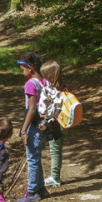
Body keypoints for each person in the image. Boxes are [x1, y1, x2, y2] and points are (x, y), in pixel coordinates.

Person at [16, 52, 49, 202]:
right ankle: (41, 188)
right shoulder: (44, 81)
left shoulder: (30, 84)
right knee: (36, 157)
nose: (22, 72)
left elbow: (32, 109)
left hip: (33, 126)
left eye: (23, 69)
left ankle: (32, 192)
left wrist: (23, 129)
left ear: (30, 68)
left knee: (32, 159)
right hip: (43, 126)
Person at [40, 59, 65, 188]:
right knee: (57, 150)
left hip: (54, 123)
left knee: (54, 151)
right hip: (62, 122)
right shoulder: (62, 88)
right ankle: (56, 175)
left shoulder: (51, 90)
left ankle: (55, 178)